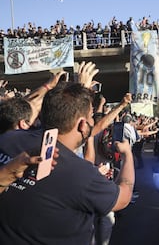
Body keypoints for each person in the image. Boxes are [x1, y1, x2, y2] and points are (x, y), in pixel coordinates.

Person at [0, 82, 135, 244]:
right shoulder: (82, 174)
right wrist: (127, 155)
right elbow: (124, 197)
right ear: (83, 124)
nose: (93, 121)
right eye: (91, 116)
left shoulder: (7, 139)